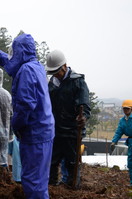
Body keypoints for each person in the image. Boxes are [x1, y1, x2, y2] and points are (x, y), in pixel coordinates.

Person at [0, 33, 55, 199]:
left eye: (14, 51)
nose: (12, 55)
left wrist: (16, 125)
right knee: (40, 179)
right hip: (43, 130)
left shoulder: (26, 71)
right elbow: (11, 62)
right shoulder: (35, 65)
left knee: (33, 181)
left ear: (20, 51)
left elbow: (25, 105)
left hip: (34, 133)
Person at [45, 49, 91, 188]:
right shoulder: (51, 84)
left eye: (57, 71)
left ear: (64, 66)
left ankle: (72, 188)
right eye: (53, 72)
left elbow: (84, 104)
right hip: (55, 130)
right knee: (52, 161)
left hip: (72, 131)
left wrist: (82, 117)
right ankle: (51, 187)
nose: (55, 75)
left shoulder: (77, 82)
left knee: (72, 163)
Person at [110, 99, 132, 185]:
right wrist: (114, 142)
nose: (125, 110)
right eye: (124, 108)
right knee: (130, 162)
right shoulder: (122, 121)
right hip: (130, 142)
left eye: (127, 108)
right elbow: (119, 131)